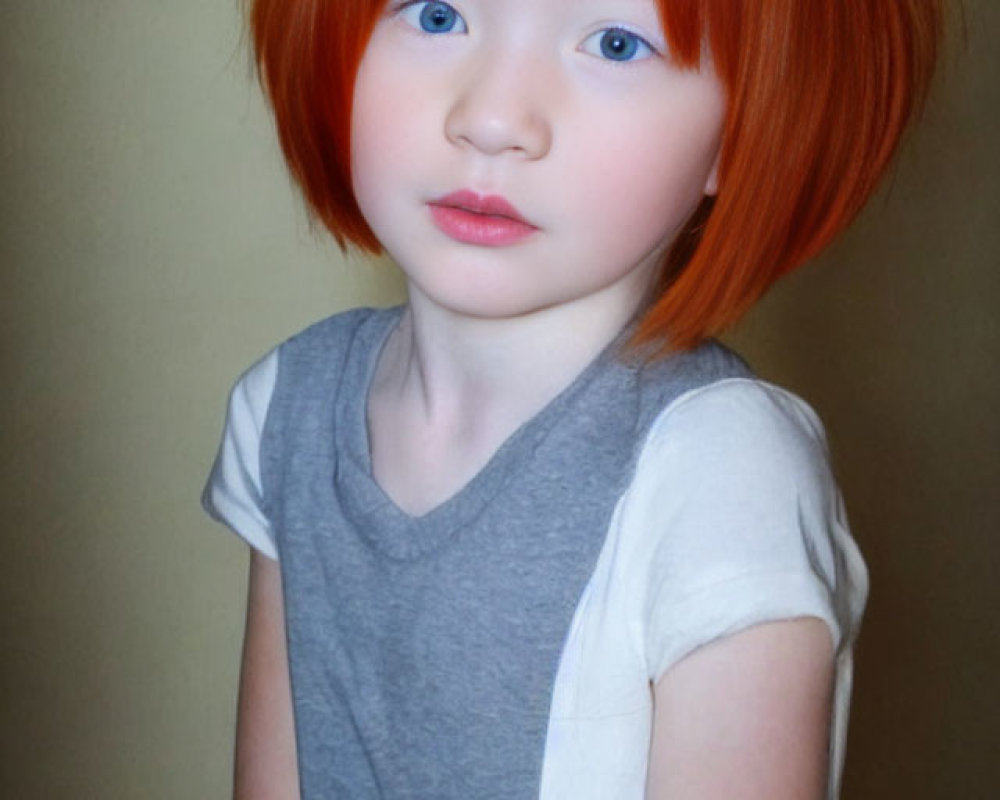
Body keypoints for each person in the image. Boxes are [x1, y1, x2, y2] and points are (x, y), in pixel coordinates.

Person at [202, 1, 942, 797]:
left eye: (617, 44)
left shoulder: (719, 475)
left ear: (747, 122)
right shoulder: (291, 409)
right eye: (439, 14)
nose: (490, 119)